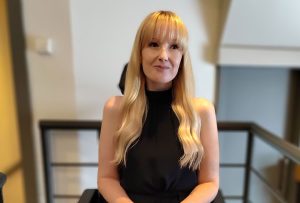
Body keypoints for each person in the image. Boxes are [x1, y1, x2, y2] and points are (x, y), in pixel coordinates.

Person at [98, 10, 219, 203]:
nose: (164, 55)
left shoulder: (202, 111)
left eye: (174, 47)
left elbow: (210, 182)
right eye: (153, 44)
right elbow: (106, 178)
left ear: (182, 56)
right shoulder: (115, 108)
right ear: (139, 53)